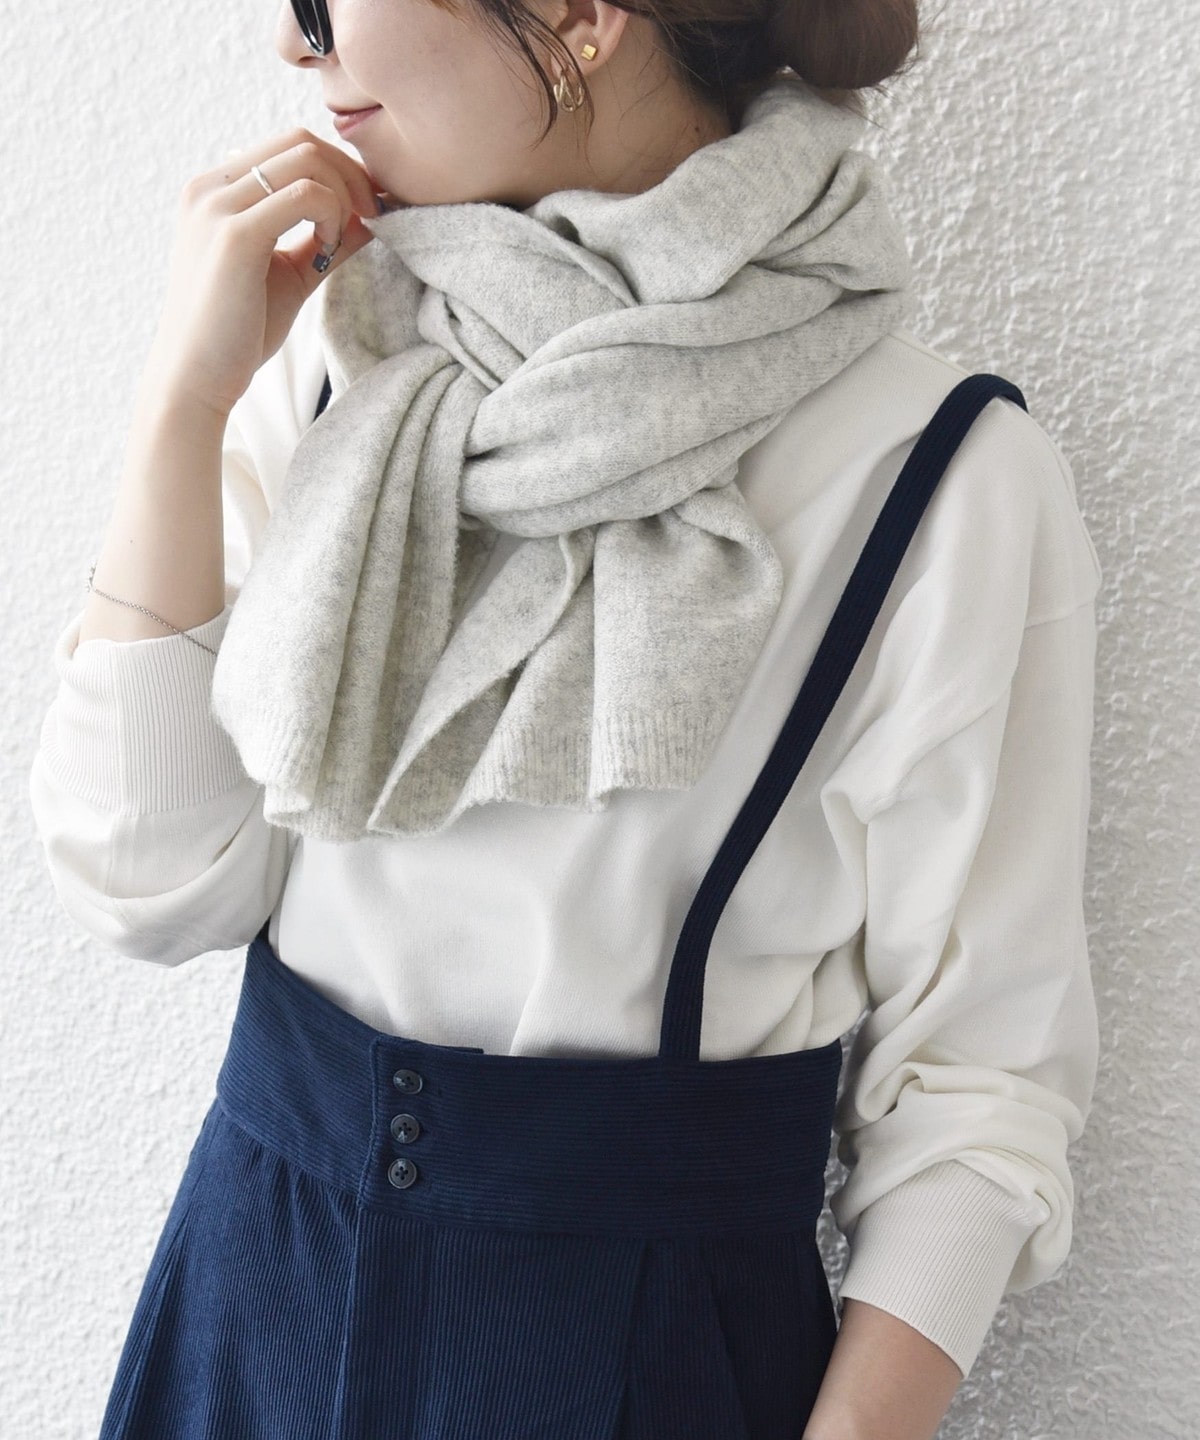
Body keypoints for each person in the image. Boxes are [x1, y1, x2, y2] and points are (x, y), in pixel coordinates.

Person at [27, 0, 1104, 1436]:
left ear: (581, 18)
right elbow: (150, 883)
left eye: (321, 1)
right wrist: (184, 399)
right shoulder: (338, 350)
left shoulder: (941, 474)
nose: (294, 46)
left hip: (644, 1344)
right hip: (253, 1299)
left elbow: (980, 1077)